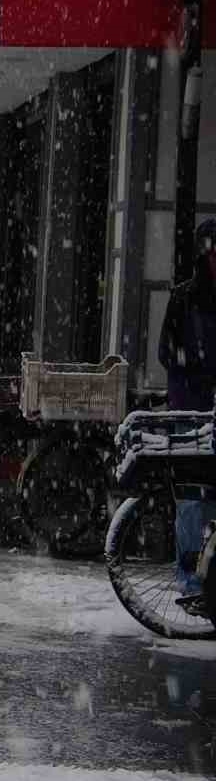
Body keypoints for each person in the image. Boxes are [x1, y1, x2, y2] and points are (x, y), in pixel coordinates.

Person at [156, 218, 216, 617]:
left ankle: (207, 578)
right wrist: (196, 367)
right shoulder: (184, 298)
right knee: (193, 499)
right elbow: (166, 351)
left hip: (210, 404)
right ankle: (191, 576)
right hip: (192, 406)